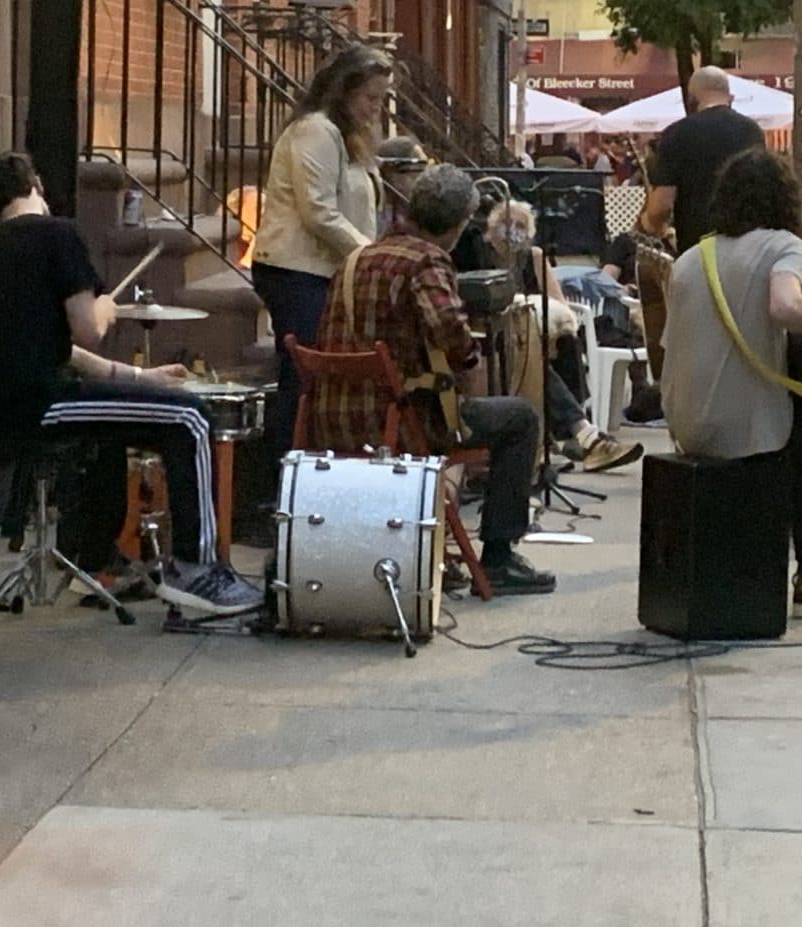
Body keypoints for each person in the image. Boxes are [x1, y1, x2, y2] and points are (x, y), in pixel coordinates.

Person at [0, 152, 262, 619]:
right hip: (41, 403)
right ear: (35, 183)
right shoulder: (56, 234)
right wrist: (104, 308)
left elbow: (57, 350)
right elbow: (87, 331)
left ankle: (103, 556)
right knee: (189, 417)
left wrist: (140, 378)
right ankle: (199, 571)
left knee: (148, 415)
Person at [315, 165, 558, 596]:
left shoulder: (356, 257)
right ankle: (499, 558)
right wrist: (470, 367)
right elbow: (451, 331)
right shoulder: (425, 260)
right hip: (398, 423)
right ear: (462, 223)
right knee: (519, 418)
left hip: (333, 421)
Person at [661, 149, 802, 619]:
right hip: (746, 435)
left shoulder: (690, 258)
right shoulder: (784, 246)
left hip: (687, 425)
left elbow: (670, 347)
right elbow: (785, 306)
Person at [252, 44, 390, 460]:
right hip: (296, 270)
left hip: (326, 270)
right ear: (343, 91)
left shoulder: (350, 137)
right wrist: (370, 258)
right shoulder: (317, 130)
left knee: (316, 377)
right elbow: (318, 211)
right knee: (302, 375)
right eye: (370, 97)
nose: (375, 108)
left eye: (381, 99)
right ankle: (282, 470)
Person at [478, 197, 640, 472]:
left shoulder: (534, 257)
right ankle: (583, 433)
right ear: (492, 227)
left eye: (520, 225)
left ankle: (574, 433)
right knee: (535, 356)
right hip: (497, 338)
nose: (512, 230)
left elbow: (560, 306)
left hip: (537, 331)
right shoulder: (479, 254)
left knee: (565, 340)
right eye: (507, 223)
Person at [640, 65, 764, 253]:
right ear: (730, 96)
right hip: (745, 248)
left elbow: (662, 206)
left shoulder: (677, 134)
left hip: (696, 250)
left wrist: (648, 223)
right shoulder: (753, 132)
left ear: (692, 97)